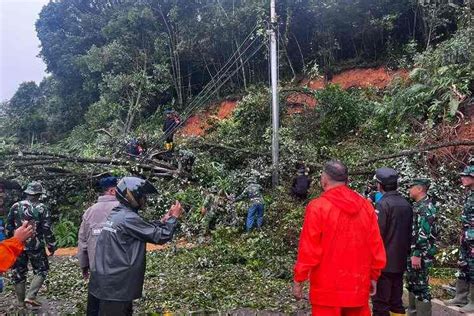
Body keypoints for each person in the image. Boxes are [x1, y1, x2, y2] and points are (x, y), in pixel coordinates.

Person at [293, 160, 386, 315]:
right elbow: (375, 244)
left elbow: (309, 248)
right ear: (347, 180)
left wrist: (299, 278)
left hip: (326, 289)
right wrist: (374, 275)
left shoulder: (318, 207)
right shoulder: (365, 206)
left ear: (324, 179)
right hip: (357, 286)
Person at [88, 177, 183, 315]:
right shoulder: (128, 218)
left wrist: (162, 221)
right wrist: (174, 218)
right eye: (142, 196)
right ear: (131, 196)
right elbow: (161, 236)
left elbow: (140, 228)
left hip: (103, 282)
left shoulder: (118, 213)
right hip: (116, 288)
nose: (145, 200)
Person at [6, 181, 57, 307]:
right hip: (36, 245)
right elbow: (47, 228)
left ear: (27, 193)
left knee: (18, 272)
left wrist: (11, 241)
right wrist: (51, 245)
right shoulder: (42, 208)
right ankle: (31, 296)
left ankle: (20, 303)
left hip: (18, 244)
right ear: (39, 194)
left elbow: (9, 226)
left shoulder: (15, 206)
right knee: (42, 269)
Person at [372, 167, 413, 316]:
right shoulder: (406, 204)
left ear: (379, 185)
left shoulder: (383, 205)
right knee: (396, 301)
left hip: (384, 263)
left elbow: (377, 235)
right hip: (400, 261)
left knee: (380, 302)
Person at [78, 177, 120, 316]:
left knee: (95, 307)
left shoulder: (89, 212)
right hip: (119, 270)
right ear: (113, 190)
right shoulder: (123, 210)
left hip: (96, 269)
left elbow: (83, 241)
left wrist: (84, 265)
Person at [406, 179, 438, 316]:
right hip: (414, 252)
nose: (409, 190)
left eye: (411, 187)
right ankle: (413, 312)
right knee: (413, 284)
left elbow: (423, 234)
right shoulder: (418, 205)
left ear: (419, 189)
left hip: (421, 254)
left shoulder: (426, 207)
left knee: (421, 288)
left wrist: (417, 254)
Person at [444, 165, 474, 312]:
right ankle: (460, 297)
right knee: (463, 265)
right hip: (467, 237)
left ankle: (472, 302)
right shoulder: (469, 194)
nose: (462, 178)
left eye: (466, 176)